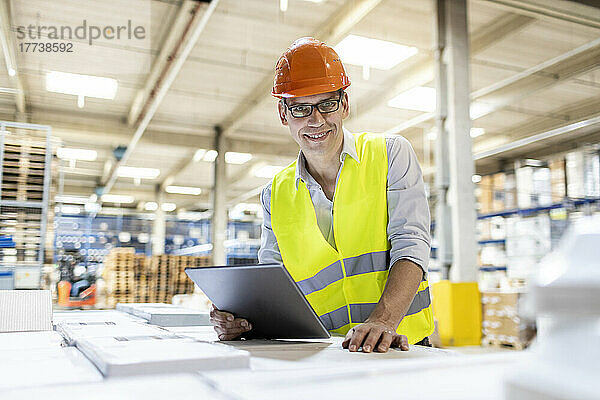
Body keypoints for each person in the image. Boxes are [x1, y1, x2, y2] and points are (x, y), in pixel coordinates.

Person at [210, 37, 434, 353]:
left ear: (344, 104)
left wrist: (383, 321)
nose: (316, 120)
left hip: (398, 344)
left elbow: (411, 243)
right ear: (283, 114)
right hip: (328, 352)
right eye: (301, 108)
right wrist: (245, 321)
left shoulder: (390, 155)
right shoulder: (275, 194)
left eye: (326, 104)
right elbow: (274, 282)